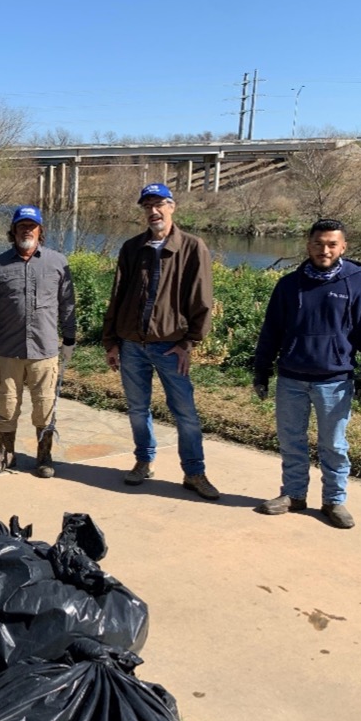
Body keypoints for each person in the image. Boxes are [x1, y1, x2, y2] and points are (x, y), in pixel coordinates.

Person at [252, 219, 361, 529]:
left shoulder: (359, 283)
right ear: (308, 244)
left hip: (335, 381)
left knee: (334, 446)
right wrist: (261, 371)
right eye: (318, 243)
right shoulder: (288, 284)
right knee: (291, 441)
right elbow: (270, 332)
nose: (324, 250)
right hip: (291, 378)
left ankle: (334, 501)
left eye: (331, 244)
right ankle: (294, 495)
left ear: (343, 247)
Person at [102, 183, 219, 500]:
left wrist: (189, 343)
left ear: (172, 206)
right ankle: (143, 461)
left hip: (171, 347)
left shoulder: (193, 248)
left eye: (159, 204)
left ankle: (194, 473)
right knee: (138, 409)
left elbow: (202, 301)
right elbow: (117, 297)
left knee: (186, 413)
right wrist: (111, 342)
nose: (153, 211)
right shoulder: (131, 248)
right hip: (131, 346)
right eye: (147, 206)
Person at [0, 205, 75, 479]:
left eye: (32, 226)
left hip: (45, 351)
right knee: (6, 407)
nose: (26, 231)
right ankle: (6, 454)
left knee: (44, 407)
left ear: (40, 231)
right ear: (14, 230)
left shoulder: (57, 262)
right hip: (9, 350)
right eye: (22, 226)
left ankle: (44, 457)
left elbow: (67, 304)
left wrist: (70, 339)